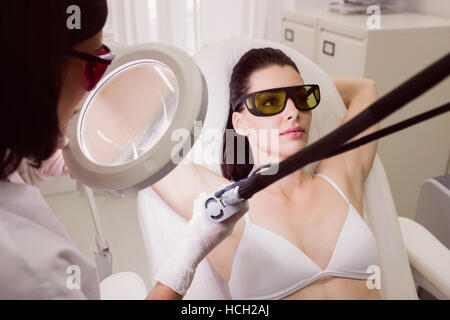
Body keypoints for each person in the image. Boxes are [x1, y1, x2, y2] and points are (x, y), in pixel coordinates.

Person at [0, 0, 247, 300]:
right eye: (94, 68)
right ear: (37, 76)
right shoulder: (29, 269)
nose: (92, 90)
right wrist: (187, 258)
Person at [151, 48, 382, 299]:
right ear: (240, 123)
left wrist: (305, 85)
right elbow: (144, 151)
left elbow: (365, 90)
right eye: (270, 102)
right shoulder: (226, 206)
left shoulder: (340, 175)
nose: (293, 112)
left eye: (302, 97)